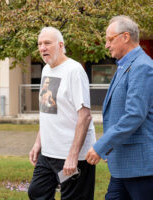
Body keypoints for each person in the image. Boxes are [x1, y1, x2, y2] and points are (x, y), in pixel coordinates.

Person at [86, 15, 153, 200]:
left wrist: (102, 146)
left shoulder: (142, 67)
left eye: (110, 39)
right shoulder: (125, 65)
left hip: (140, 168)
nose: (107, 45)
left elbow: (134, 115)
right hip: (123, 164)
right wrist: (111, 147)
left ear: (125, 37)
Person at [28, 27, 96, 200]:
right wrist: (38, 143)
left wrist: (72, 156)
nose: (42, 48)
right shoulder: (46, 70)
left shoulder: (74, 70)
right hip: (49, 153)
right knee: (37, 192)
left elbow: (85, 116)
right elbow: (47, 110)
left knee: (73, 197)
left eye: (47, 43)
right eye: (40, 44)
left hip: (72, 156)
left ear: (60, 45)